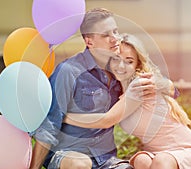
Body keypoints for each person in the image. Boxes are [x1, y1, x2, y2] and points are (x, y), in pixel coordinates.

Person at [29, 8, 155, 169]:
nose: (114, 39)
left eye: (115, 31)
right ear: (89, 42)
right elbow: (48, 127)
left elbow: (162, 84)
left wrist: (161, 86)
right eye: (105, 35)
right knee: (81, 164)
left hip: (105, 160)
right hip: (67, 155)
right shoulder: (69, 71)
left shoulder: (120, 71)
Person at [64, 33, 191, 169]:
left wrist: (64, 117)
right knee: (141, 161)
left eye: (129, 61)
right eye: (116, 59)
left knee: (161, 161)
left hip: (185, 150)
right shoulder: (116, 92)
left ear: (137, 65)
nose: (121, 66)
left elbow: (106, 120)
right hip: (156, 153)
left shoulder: (139, 85)